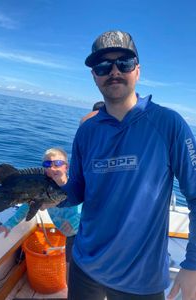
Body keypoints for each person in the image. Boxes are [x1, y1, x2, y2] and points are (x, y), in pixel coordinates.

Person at [49, 30, 196, 300]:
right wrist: (47, 194)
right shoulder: (87, 131)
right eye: (103, 66)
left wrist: (193, 265)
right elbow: (77, 191)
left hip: (141, 278)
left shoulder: (169, 124)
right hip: (85, 265)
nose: (114, 71)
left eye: (124, 63)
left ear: (137, 71)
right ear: (94, 76)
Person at [0, 147, 82, 282]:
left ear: (66, 166)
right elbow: (26, 208)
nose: (52, 168)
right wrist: (8, 225)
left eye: (57, 163)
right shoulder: (44, 187)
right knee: (69, 273)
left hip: (84, 232)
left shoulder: (75, 186)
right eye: (47, 164)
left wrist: (75, 222)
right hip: (69, 236)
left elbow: (91, 208)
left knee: (82, 273)